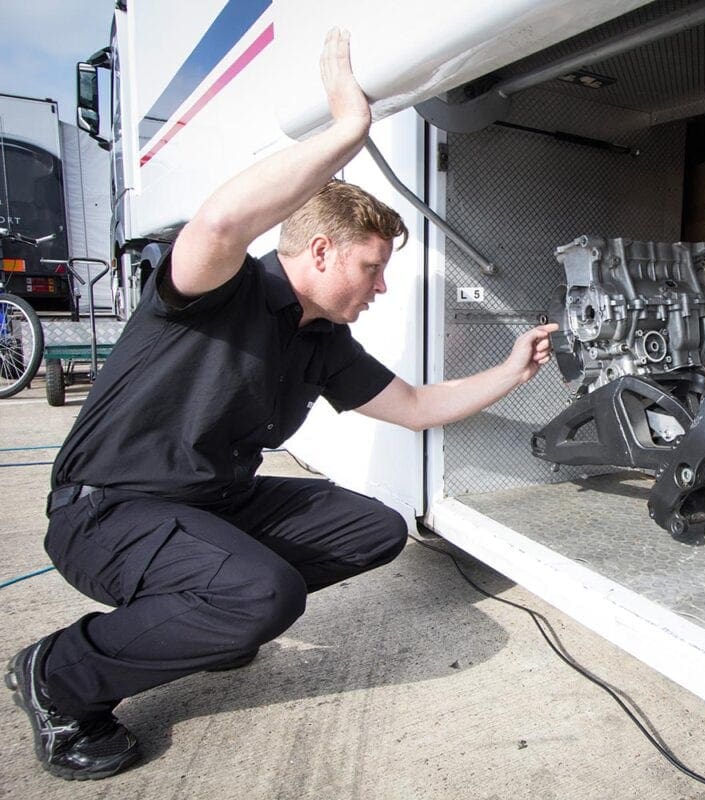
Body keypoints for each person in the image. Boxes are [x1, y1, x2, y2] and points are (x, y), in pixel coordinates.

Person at [5, 29, 556, 781]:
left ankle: (210, 612)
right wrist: (346, 131)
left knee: (375, 528)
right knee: (264, 595)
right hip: (104, 512)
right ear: (321, 251)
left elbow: (419, 405)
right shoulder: (214, 290)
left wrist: (511, 370)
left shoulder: (322, 339)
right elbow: (221, 223)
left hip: (208, 506)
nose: (380, 288)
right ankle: (59, 674)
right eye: (371, 268)